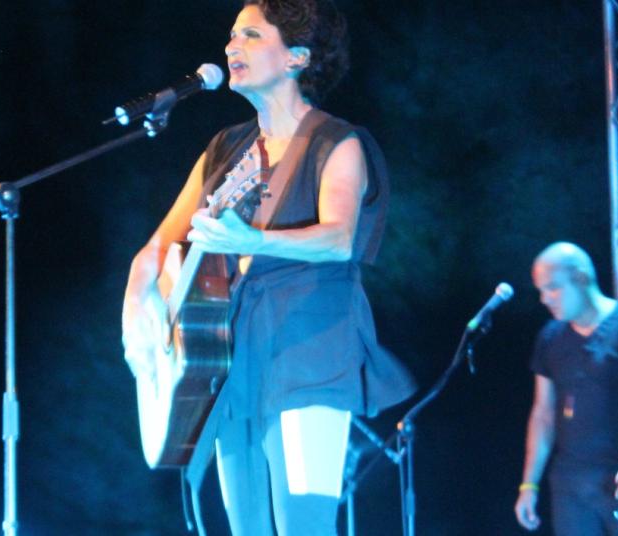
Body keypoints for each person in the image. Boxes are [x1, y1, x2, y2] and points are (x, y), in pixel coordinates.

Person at [122, 1, 416, 534]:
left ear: (297, 57)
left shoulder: (337, 142)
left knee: (306, 526)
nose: (231, 46)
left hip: (311, 355)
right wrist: (136, 320)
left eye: (251, 35)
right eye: (232, 35)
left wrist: (252, 240)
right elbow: (156, 250)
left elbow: (340, 238)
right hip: (231, 363)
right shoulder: (224, 150)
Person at [514, 242, 618, 535]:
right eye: (540, 291)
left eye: (552, 288)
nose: (544, 299)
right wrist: (529, 484)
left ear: (581, 278)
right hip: (570, 483)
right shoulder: (550, 337)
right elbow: (543, 414)